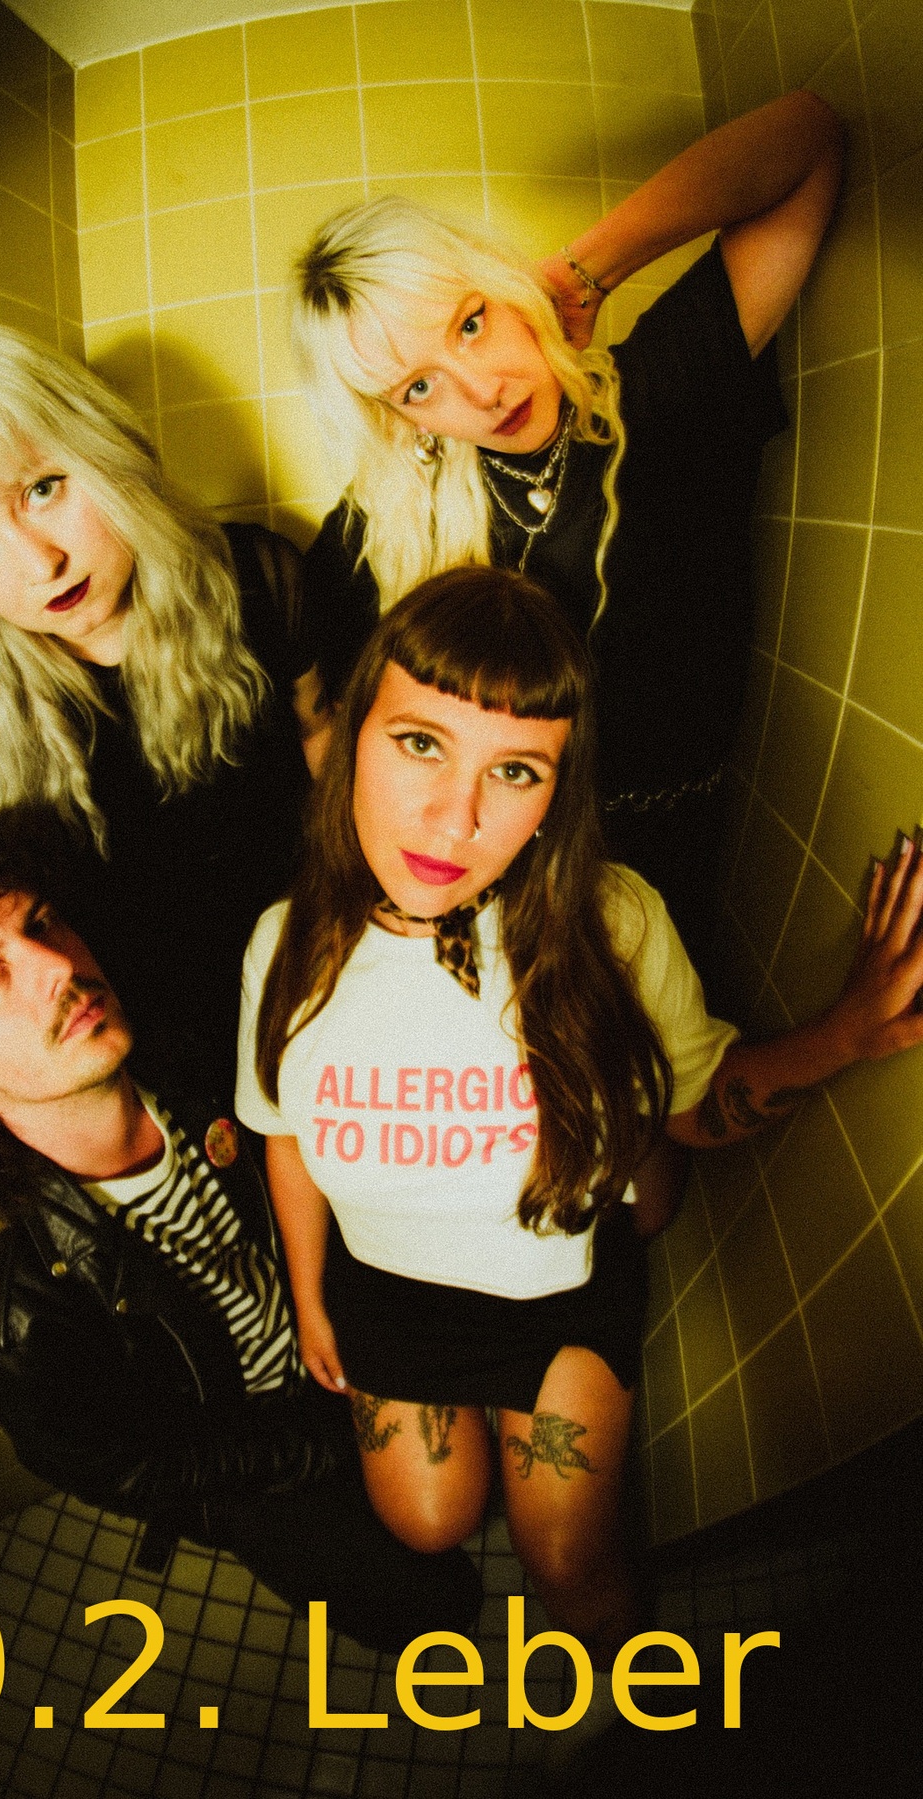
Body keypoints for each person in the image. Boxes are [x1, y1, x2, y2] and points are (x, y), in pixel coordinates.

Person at [236, 567, 923, 1680]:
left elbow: (702, 1105)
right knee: (426, 1520)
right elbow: (283, 1132)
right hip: (389, 1287)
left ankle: (629, 1727)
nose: (455, 817)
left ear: (556, 792)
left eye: (513, 770)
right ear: (352, 733)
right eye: (420, 743)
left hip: (555, 1288)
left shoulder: (613, 920)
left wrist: (843, 1034)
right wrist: (312, 1296)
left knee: (569, 1566)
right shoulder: (284, 945)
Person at [0, 818, 480, 1655]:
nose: (60, 967)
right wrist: (315, 1442)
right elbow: (130, 1466)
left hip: (323, 1312)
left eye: (43, 923)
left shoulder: (179, 1049)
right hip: (247, 1452)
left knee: (470, 1476)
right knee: (432, 1607)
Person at [291, 91, 844, 954]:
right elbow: (320, 708)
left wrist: (585, 271)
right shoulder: (389, 523)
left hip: (671, 863)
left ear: (502, 286)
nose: (483, 390)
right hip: (491, 890)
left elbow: (807, 140)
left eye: (471, 323)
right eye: (419, 386)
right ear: (400, 417)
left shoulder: (660, 395)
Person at [0, 325, 330, 1094]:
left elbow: (325, 747)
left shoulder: (257, 579)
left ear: (99, 445)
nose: (41, 564)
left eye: (43, 489)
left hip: (315, 979)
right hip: (144, 1057)